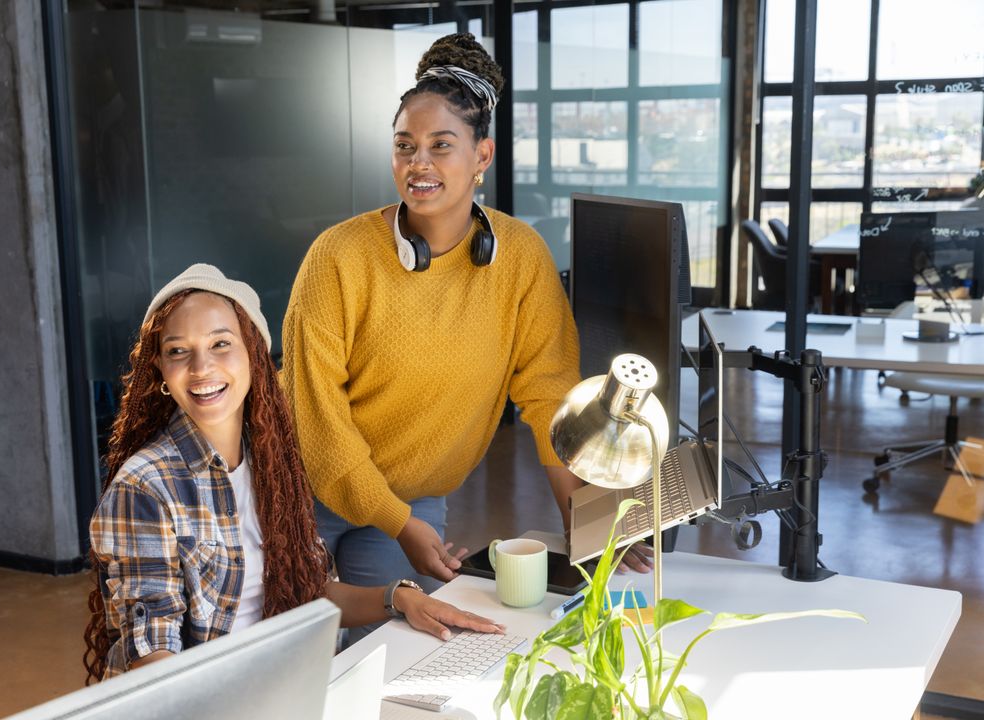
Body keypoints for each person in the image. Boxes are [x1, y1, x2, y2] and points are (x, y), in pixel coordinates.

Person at [281, 34, 652, 638]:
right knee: (296, 647)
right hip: (302, 487)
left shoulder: (521, 258)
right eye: (404, 146)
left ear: (482, 155)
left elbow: (549, 399)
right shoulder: (338, 257)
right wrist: (400, 522)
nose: (417, 164)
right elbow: (316, 422)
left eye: (439, 146)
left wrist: (586, 527)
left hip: (410, 502)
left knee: (396, 649)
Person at [82, 264, 503, 683]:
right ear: (160, 370)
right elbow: (152, 658)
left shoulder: (274, 461)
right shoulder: (144, 487)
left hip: (281, 687)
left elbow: (304, 593)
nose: (201, 367)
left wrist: (400, 599)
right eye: (178, 351)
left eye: (220, 344)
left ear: (255, 354)